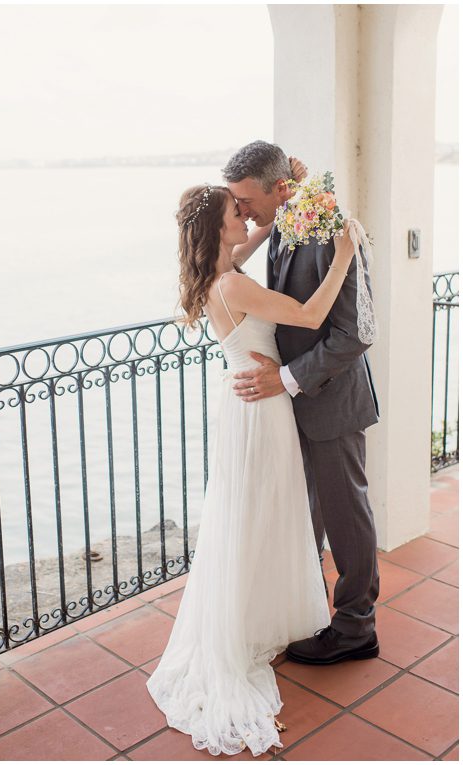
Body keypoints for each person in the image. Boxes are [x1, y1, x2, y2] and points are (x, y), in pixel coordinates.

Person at [146, 164, 362, 755]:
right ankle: (249, 625)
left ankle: (252, 615)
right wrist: (344, 252)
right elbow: (313, 316)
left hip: (244, 403)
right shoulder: (234, 286)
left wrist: (289, 206)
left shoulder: (217, 274)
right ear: (217, 230)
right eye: (234, 212)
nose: (245, 217)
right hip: (261, 411)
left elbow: (250, 237)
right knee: (261, 513)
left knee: (249, 515)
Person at [224, 140, 380, 664]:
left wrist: (287, 378)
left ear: (279, 189)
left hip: (332, 402)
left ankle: (357, 628)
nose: (242, 211)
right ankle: (308, 610)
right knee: (307, 514)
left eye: (247, 201)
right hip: (290, 404)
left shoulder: (331, 229)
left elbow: (356, 332)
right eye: (237, 204)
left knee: (346, 517)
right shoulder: (284, 218)